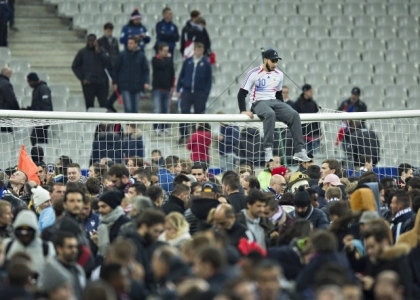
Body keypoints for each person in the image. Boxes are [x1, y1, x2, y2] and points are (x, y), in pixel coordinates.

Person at [238, 49, 311, 163]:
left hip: (274, 101)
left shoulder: (279, 74)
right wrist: (243, 110)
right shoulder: (253, 73)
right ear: (265, 60)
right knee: (270, 114)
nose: (275, 64)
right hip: (258, 102)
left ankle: (299, 150)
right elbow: (242, 93)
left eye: (276, 61)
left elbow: (278, 94)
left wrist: (284, 111)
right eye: (273, 61)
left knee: (294, 114)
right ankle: (268, 149)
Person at [177, 42, 212, 143]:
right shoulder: (187, 61)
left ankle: (196, 135)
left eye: (201, 50)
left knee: (199, 115)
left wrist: (206, 93)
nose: (199, 52)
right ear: (194, 50)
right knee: (184, 112)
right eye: (197, 50)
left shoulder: (206, 63)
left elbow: (209, 80)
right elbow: (181, 75)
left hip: (200, 92)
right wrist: (179, 89)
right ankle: (183, 134)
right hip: (187, 91)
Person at [4, 210, 56, 275]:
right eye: (21, 230)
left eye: (28, 230)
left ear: (35, 231)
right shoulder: (6, 245)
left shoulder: (47, 248)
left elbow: (52, 274)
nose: (24, 234)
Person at [72, 34, 111, 110]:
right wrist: (82, 78)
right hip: (88, 84)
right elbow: (74, 66)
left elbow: (108, 64)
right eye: (89, 40)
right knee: (89, 106)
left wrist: (99, 52)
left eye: (92, 41)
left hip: (102, 83)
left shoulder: (102, 51)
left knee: (104, 105)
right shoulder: (82, 52)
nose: (91, 42)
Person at [113, 37, 150, 113]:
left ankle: (133, 124)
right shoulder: (122, 55)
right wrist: (115, 82)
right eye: (128, 43)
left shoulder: (141, 56)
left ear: (136, 44)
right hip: (125, 85)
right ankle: (128, 125)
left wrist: (146, 81)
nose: (129, 45)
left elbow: (145, 70)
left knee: (135, 109)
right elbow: (116, 69)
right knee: (128, 108)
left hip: (137, 86)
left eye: (131, 43)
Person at [152, 42, 175, 135]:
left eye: (167, 51)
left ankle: (165, 127)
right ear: (159, 51)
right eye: (165, 51)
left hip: (167, 89)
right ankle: (156, 128)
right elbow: (161, 66)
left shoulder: (169, 61)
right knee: (156, 109)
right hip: (157, 89)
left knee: (166, 110)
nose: (166, 53)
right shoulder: (155, 60)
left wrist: (172, 86)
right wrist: (168, 59)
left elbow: (172, 73)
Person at [25, 72, 53, 146]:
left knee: (36, 139)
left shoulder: (43, 88)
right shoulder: (36, 89)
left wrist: (44, 119)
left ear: (33, 80)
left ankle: (40, 155)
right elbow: (36, 106)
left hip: (43, 120)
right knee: (39, 140)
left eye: (29, 81)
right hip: (39, 120)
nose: (29, 84)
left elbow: (46, 105)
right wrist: (27, 109)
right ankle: (40, 155)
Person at [294, 84, 321, 155]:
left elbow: (317, 119)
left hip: (313, 134)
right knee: (304, 154)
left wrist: (319, 132)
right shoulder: (297, 104)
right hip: (302, 134)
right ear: (305, 91)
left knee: (314, 155)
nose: (312, 93)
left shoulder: (313, 103)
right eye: (310, 91)